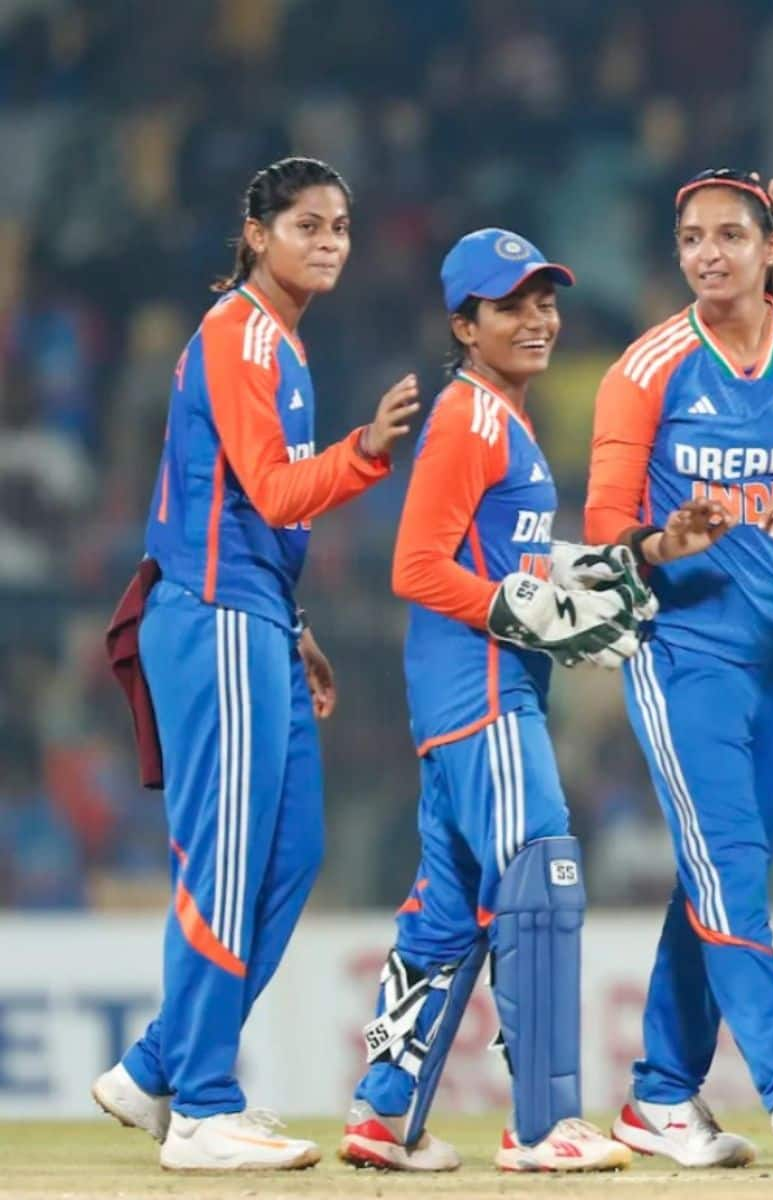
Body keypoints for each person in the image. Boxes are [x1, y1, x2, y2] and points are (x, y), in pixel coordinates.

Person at [88, 156, 418, 1171]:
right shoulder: (238, 333)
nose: (328, 242)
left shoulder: (277, 343)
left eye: (341, 227)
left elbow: (237, 505)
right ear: (256, 232)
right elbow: (273, 492)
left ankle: (155, 1069)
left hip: (255, 615)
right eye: (307, 224)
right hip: (215, 617)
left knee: (288, 852)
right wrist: (366, 450)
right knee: (225, 856)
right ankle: (203, 1107)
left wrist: (296, 619)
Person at [585, 169, 773, 1170]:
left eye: (730, 235)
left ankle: (661, 1095)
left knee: (729, 875)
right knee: (727, 869)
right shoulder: (649, 366)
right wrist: (666, 540)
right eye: (692, 239)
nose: (710, 254)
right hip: (683, 652)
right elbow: (601, 536)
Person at [337, 229, 652, 1173]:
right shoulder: (472, 417)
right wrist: (524, 606)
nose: (538, 319)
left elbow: (493, 559)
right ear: (464, 324)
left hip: (466, 695)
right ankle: (545, 1122)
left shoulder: (502, 418)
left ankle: (384, 1114)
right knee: (543, 875)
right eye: (511, 305)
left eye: (546, 301)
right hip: (481, 690)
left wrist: (583, 574)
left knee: (449, 911)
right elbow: (416, 564)